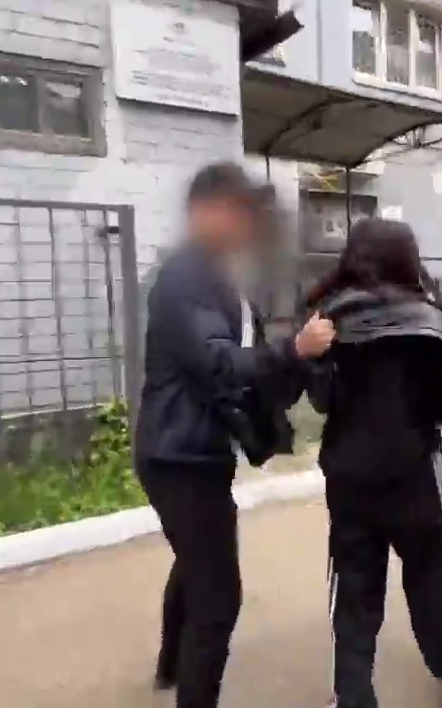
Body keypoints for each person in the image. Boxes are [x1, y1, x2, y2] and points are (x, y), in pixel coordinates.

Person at [134, 162, 336, 708]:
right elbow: (219, 362)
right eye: (237, 211)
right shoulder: (186, 276)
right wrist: (295, 349)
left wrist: (290, 365)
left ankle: (171, 667)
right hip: (181, 459)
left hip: (188, 451)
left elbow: (246, 364)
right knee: (219, 597)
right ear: (204, 212)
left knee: (194, 563)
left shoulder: (214, 274)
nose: (248, 223)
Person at [303, 217, 442, 708]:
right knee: (436, 579)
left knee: (353, 589)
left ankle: (353, 696)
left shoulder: (325, 320)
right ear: (408, 260)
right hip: (415, 471)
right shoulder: (437, 321)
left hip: (348, 474)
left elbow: (321, 399)